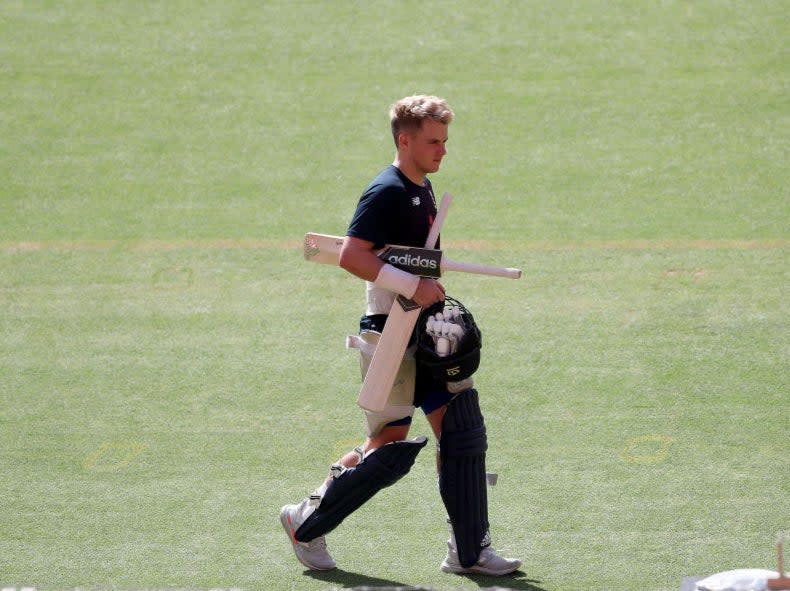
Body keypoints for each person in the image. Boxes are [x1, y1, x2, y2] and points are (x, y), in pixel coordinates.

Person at [280, 95, 521, 576]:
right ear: (404, 140)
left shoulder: (424, 188)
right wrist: (415, 286)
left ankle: (468, 550)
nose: (442, 151)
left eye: (445, 141)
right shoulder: (386, 190)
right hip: (388, 334)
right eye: (433, 142)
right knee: (388, 444)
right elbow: (352, 255)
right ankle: (305, 519)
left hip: (422, 332)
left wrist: (428, 292)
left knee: (461, 431)